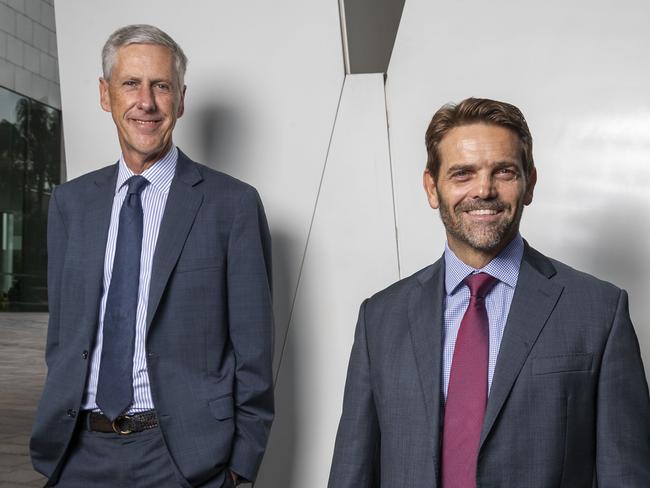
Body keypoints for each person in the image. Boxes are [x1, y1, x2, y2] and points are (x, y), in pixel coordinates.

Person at [328, 97, 650, 487]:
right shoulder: (380, 318)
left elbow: (626, 477)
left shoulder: (599, 311)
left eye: (504, 172)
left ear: (529, 183)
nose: (484, 190)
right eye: (463, 173)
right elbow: (352, 472)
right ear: (432, 187)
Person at [30, 24, 274, 488]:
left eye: (161, 86)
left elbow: (254, 352)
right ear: (105, 95)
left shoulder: (232, 205)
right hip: (78, 451)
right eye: (130, 84)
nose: (146, 101)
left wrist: (241, 468)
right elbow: (63, 336)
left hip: (182, 457)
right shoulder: (70, 203)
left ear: (180, 99)